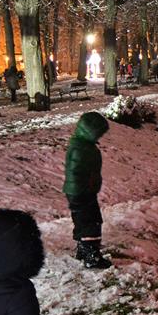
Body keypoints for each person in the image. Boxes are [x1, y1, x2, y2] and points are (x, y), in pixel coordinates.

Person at [63, 112, 112, 269]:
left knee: (83, 220)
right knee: (91, 221)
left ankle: (83, 250)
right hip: (81, 192)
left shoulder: (83, 145)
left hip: (80, 191)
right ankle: (91, 255)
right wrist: (86, 187)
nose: (100, 136)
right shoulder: (81, 148)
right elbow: (76, 171)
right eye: (99, 133)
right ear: (90, 131)